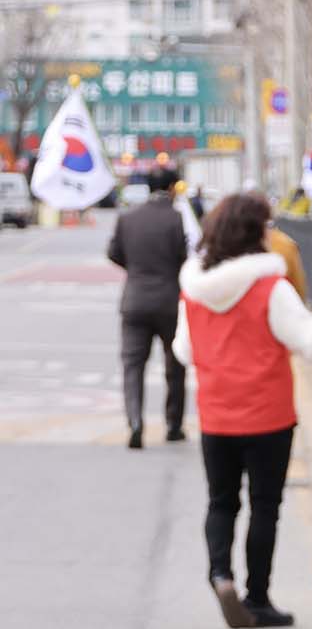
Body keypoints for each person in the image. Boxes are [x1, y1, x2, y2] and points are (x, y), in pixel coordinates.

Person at [173, 193, 312, 628]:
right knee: (265, 506)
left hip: (216, 414)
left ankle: (220, 574)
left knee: (221, 501)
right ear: (253, 233)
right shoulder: (270, 287)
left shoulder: (193, 288)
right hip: (268, 415)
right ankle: (258, 597)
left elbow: (184, 349)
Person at [107, 166, 189, 449]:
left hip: (135, 301)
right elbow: (184, 256)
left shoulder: (128, 217)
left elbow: (113, 252)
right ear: (170, 189)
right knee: (174, 365)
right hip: (169, 301)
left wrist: (136, 269)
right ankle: (173, 425)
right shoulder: (176, 219)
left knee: (132, 365)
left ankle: (135, 421)